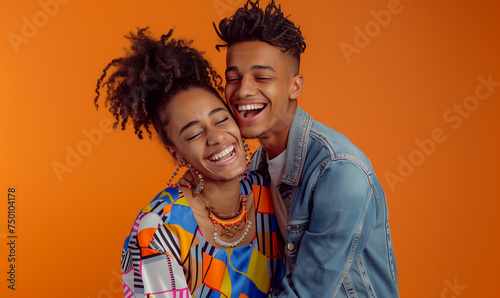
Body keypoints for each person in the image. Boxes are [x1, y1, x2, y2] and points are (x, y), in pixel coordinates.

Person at [214, 1, 399, 297]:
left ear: (295, 86)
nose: (243, 90)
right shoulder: (256, 166)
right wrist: (195, 186)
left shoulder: (339, 170)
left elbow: (307, 293)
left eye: (262, 77)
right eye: (233, 78)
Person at [94, 27, 284, 297]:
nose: (217, 137)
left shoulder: (274, 192)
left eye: (221, 119)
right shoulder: (158, 230)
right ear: (177, 154)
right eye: (194, 133)